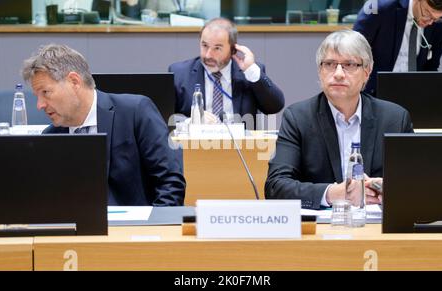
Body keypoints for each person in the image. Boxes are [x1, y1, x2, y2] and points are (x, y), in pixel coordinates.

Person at [21, 44, 186, 206]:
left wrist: (153, 227)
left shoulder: (135, 112)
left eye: (45, 93)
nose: (39, 105)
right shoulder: (51, 137)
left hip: (135, 228)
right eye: (37, 96)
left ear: (74, 81)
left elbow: (170, 181)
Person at [265, 30, 414, 209]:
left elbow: (416, 182)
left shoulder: (395, 119)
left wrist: (388, 189)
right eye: (329, 64)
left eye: (349, 64)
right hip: (321, 230)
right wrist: (333, 193)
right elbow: (275, 187)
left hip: (376, 226)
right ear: (320, 71)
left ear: (367, 72)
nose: (338, 73)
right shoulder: (298, 117)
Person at [168, 17, 285, 129]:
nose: (208, 55)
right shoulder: (180, 73)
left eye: (217, 48)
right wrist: (188, 123)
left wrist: (251, 71)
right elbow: (163, 118)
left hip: (240, 147)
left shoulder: (248, 73)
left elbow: (274, 107)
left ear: (233, 49)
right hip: (194, 146)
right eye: (205, 46)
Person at [353, 0, 442, 95]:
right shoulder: (379, 7)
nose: (430, 22)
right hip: (373, 93)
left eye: (436, 18)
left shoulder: (441, 22)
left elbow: (431, 66)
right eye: (427, 13)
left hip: (414, 94)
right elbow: (353, 53)